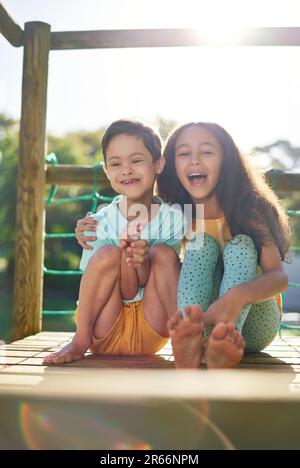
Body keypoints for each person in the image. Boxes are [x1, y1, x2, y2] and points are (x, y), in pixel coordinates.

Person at [76, 122, 290, 369]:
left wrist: (237, 297)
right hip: (205, 321)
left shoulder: (251, 208)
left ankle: (224, 340)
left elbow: (279, 278)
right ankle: (195, 343)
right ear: (170, 164)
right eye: (184, 153)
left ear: (226, 160)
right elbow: (130, 215)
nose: (195, 161)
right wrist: (90, 225)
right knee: (202, 246)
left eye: (207, 152)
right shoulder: (175, 210)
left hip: (254, 323)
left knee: (240, 245)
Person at [43, 120, 184, 365]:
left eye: (136, 161)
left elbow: (150, 283)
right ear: (107, 172)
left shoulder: (174, 219)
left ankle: (183, 340)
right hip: (104, 328)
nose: (126, 170)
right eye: (116, 164)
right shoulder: (98, 223)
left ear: (158, 164)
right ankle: (79, 340)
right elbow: (114, 289)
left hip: (154, 328)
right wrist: (127, 257)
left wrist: (142, 259)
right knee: (108, 254)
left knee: (163, 254)